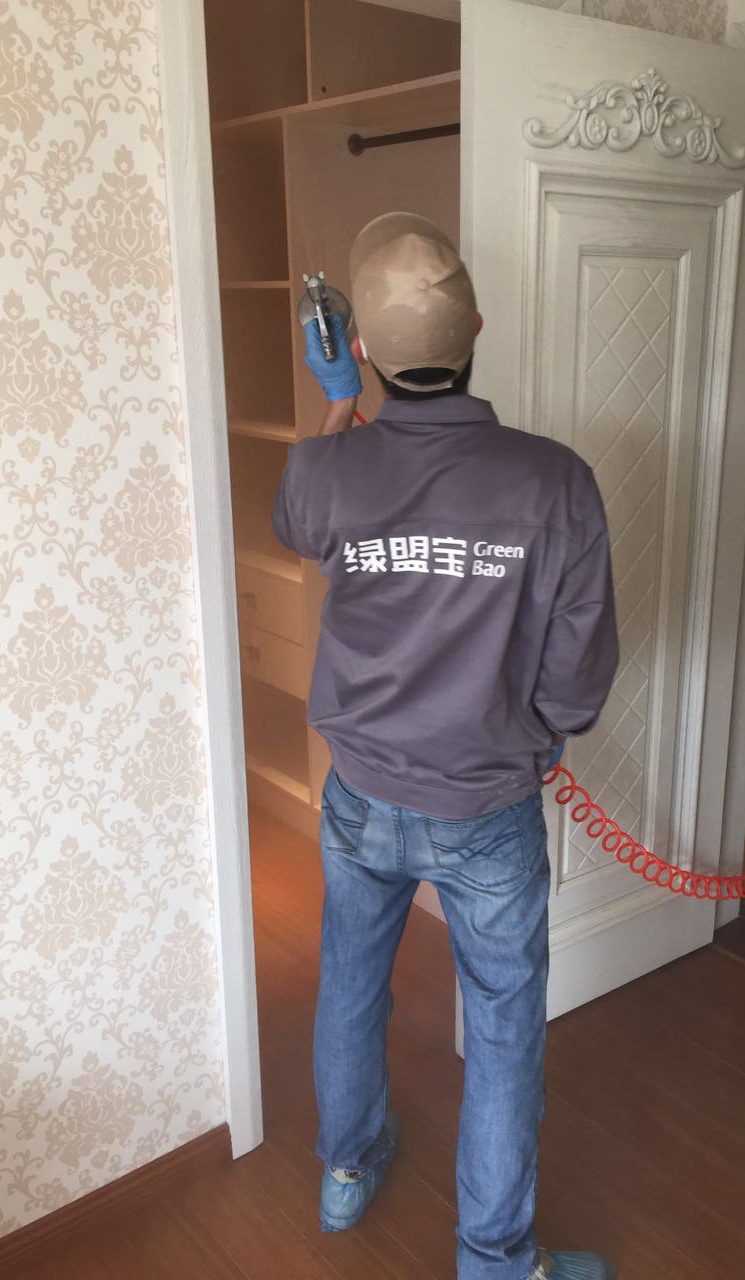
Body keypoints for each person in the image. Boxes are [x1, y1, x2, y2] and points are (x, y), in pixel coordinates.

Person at [272, 213, 619, 1280]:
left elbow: (300, 518)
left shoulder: (327, 471)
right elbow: (578, 679)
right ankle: (494, 1260)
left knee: (351, 982)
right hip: (487, 809)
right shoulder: (555, 482)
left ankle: (345, 1169)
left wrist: (340, 398)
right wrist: (540, 732)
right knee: (504, 1031)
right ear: (476, 333)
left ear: (361, 349)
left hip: (359, 795)